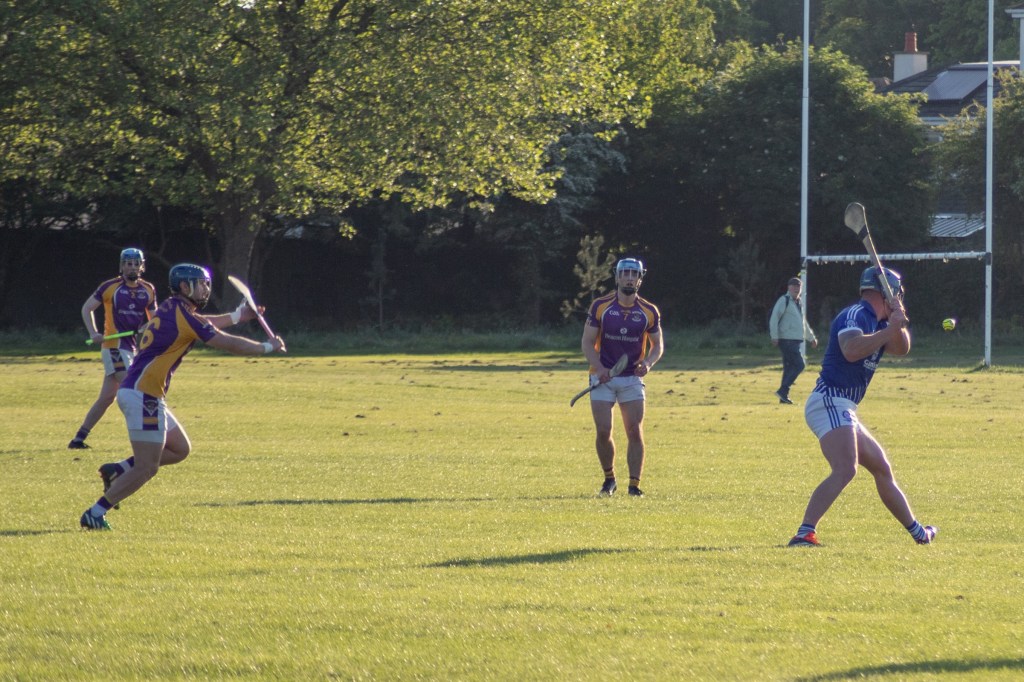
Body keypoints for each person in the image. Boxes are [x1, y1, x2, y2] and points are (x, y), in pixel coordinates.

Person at [79, 263, 286, 530]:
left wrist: (237, 316)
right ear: (185, 286)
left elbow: (205, 324)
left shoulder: (175, 309)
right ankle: (95, 513)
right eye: (201, 284)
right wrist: (267, 346)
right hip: (143, 395)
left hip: (147, 393)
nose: (206, 289)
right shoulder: (182, 314)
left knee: (179, 449)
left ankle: (117, 470)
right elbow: (227, 342)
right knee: (147, 467)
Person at [788, 266, 937, 547]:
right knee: (846, 468)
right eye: (897, 295)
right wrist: (890, 327)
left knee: (881, 467)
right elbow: (851, 349)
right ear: (887, 292)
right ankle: (804, 533)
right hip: (829, 399)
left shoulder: (880, 323)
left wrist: (896, 323)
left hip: (844, 406)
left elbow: (901, 349)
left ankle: (919, 533)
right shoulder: (855, 314)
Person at [580, 258, 664, 497]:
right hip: (602, 378)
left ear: (640, 279)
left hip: (631, 379)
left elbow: (658, 345)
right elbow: (587, 342)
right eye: (624, 273)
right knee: (603, 430)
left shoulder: (649, 311)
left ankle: (634, 485)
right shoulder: (600, 306)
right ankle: (609, 480)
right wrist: (599, 368)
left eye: (633, 274)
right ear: (617, 277)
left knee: (634, 431)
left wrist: (648, 363)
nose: (629, 278)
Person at [68, 248, 158, 449]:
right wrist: (94, 333)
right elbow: (87, 308)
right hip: (113, 347)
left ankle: (78, 439)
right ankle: (145, 438)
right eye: (128, 263)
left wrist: (147, 326)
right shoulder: (110, 287)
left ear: (142, 266)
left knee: (107, 397)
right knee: (134, 388)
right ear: (121, 266)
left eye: (136, 264)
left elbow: (155, 319)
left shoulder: (148, 289)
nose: (132, 267)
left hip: (131, 348)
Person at [768, 276, 818, 404]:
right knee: (800, 365)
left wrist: (811, 338)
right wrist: (774, 336)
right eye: (794, 286)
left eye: (798, 286)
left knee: (789, 368)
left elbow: (803, 323)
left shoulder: (798, 302)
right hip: (786, 339)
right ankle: (783, 390)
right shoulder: (784, 300)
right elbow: (774, 318)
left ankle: (783, 397)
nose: (796, 288)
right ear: (788, 287)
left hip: (795, 340)